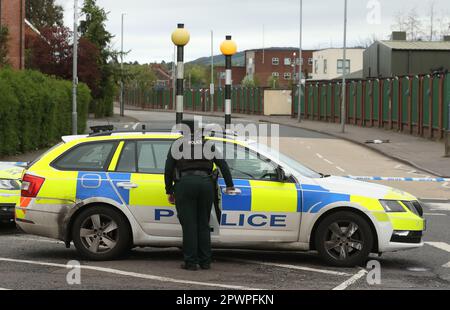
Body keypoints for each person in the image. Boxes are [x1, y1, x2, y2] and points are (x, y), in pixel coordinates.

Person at [164, 120, 235, 271]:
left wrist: (169, 190)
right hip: (206, 184)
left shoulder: (178, 145)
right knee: (203, 224)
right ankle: (205, 261)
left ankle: (191, 262)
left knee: (189, 225)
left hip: (185, 184)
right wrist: (230, 185)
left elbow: (168, 169)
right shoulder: (208, 144)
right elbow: (223, 164)